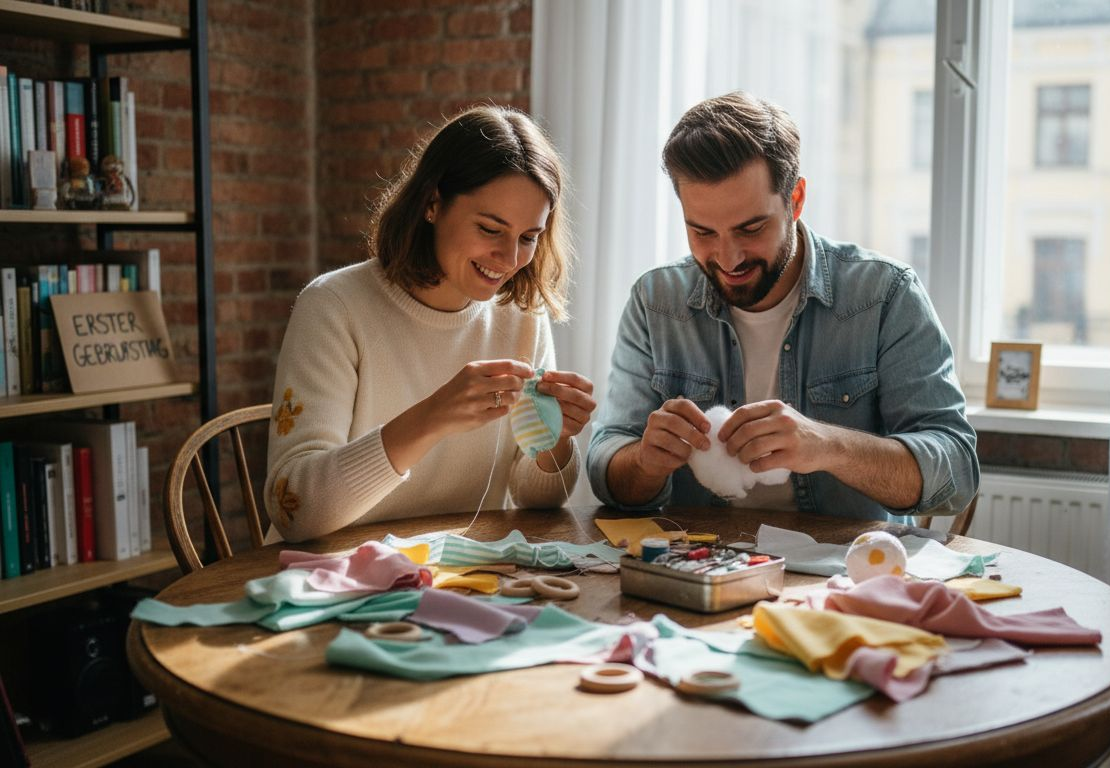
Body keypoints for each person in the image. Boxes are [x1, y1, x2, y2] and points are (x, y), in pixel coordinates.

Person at [587, 92, 977, 523]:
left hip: (841, 575)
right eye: (702, 232)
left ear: (795, 200)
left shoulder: (884, 295)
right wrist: (644, 462)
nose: (728, 257)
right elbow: (606, 466)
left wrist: (827, 446)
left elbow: (955, 474)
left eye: (750, 228)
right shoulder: (656, 302)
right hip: (697, 571)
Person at [265, 106, 595, 542]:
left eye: (529, 238)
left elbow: (536, 500)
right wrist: (433, 418)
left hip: (459, 578)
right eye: (490, 229)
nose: (511, 258)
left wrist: (555, 438)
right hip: (331, 583)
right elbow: (295, 512)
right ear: (432, 204)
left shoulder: (521, 318)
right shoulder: (332, 307)